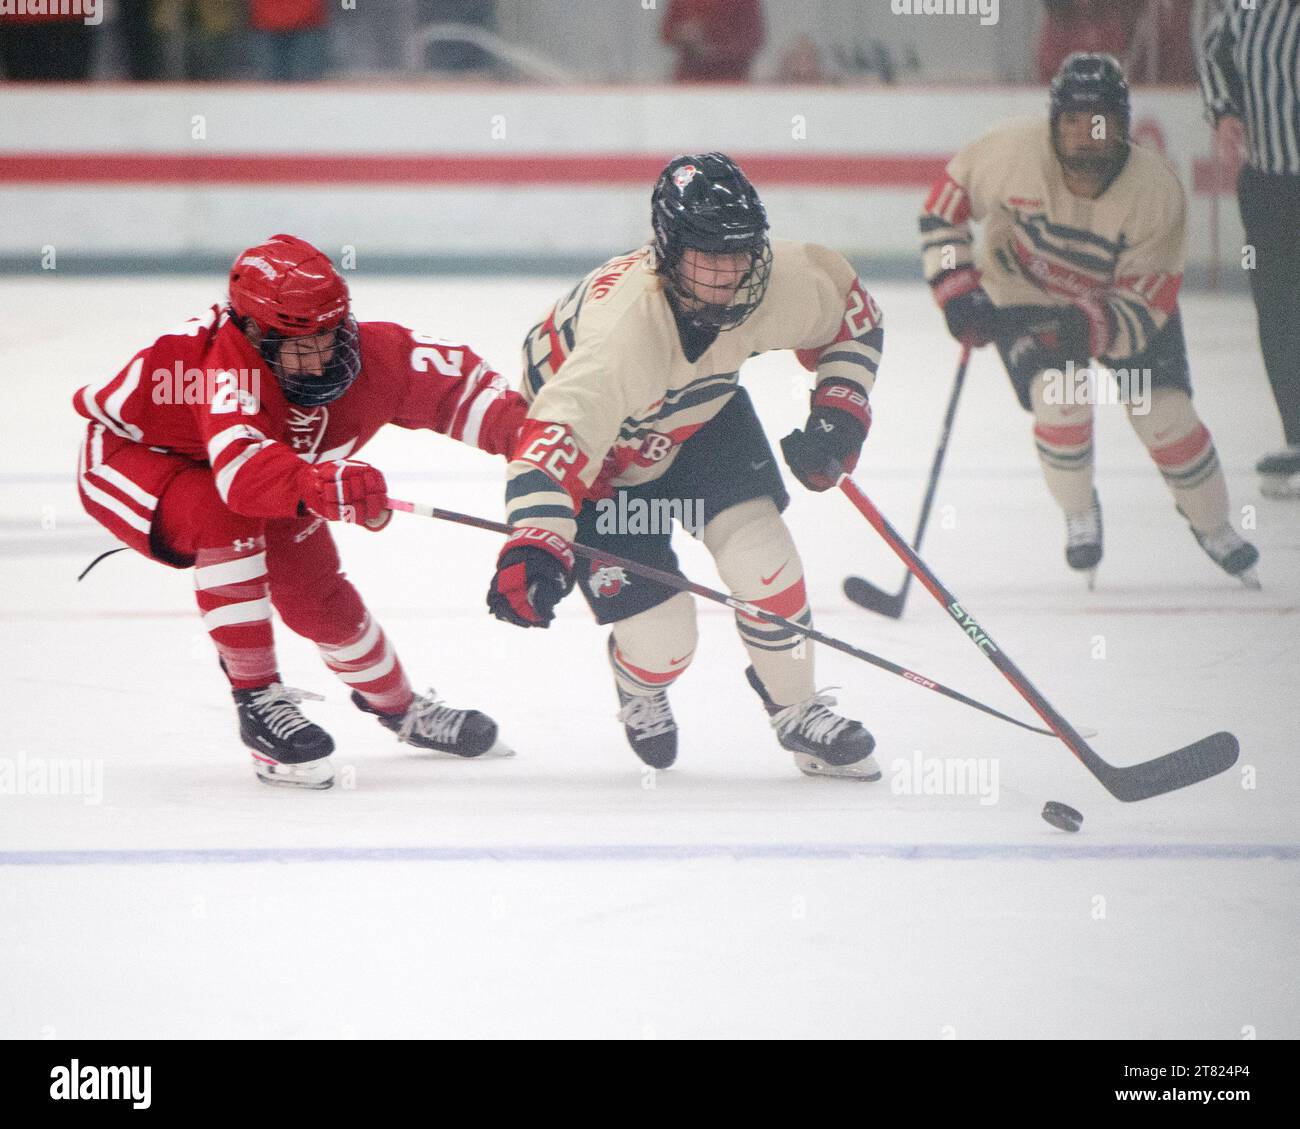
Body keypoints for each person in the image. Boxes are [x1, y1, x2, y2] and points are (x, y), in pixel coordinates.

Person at [74, 235, 525, 789]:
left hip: (273, 470)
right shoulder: (222, 368)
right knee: (226, 518)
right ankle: (257, 699)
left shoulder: (378, 356)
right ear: (254, 334)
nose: (320, 360)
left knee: (320, 597)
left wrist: (542, 445)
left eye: (329, 336)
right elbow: (241, 475)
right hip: (136, 460)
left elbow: (464, 388)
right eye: (296, 344)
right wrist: (318, 483)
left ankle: (403, 711)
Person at [486, 153, 883, 780]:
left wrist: (840, 409)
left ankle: (797, 708)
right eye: (707, 254)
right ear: (668, 250)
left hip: (702, 421)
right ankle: (637, 682)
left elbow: (853, 315)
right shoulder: (623, 334)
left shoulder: (775, 281)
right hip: (604, 468)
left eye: (741, 251)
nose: (729, 273)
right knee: (666, 645)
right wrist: (535, 543)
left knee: (764, 557)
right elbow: (552, 441)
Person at [921, 53, 1259, 587]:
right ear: (1053, 122)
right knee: (1060, 396)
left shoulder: (1156, 191)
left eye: (1100, 119)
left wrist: (1091, 326)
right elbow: (944, 208)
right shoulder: (1010, 152)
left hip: (1123, 308)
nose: (1085, 134)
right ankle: (1080, 513)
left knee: (1166, 415)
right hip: (1024, 296)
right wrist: (957, 291)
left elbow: (1148, 297)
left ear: (1123, 125)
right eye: (1072, 120)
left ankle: (1212, 524)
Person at [1201, 0, 1300, 499]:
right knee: (1279, 309)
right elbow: (1213, 49)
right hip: (1269, 182)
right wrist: (1224, 111)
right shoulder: (1255, 6)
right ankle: (1298, 433)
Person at [661, 0, 765, 84]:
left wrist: (715, 51)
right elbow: (666, 32)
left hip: (730, 81)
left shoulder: (744, 3)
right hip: (690, 81)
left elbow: (754, 38)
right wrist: (683, 34)